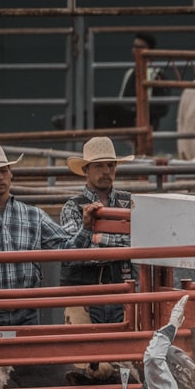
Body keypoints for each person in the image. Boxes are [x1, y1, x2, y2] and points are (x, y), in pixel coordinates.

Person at [0, 143, 97, 327]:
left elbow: (67, 250)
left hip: (27, 310)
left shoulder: (34, 215)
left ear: (11, 174)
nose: (0, 177)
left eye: (3, 170)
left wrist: (86, 227)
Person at [60, 137, 135, 324]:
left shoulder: (129, 202)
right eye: (99, 166)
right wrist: (122, 247)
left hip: (122, 292)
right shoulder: (71, 206)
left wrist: (98, 238)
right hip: (84, 294)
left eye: (111, 165)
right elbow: (74, 254)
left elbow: (140, 243)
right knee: (82, 349)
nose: (106, 171)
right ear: (86, 170)